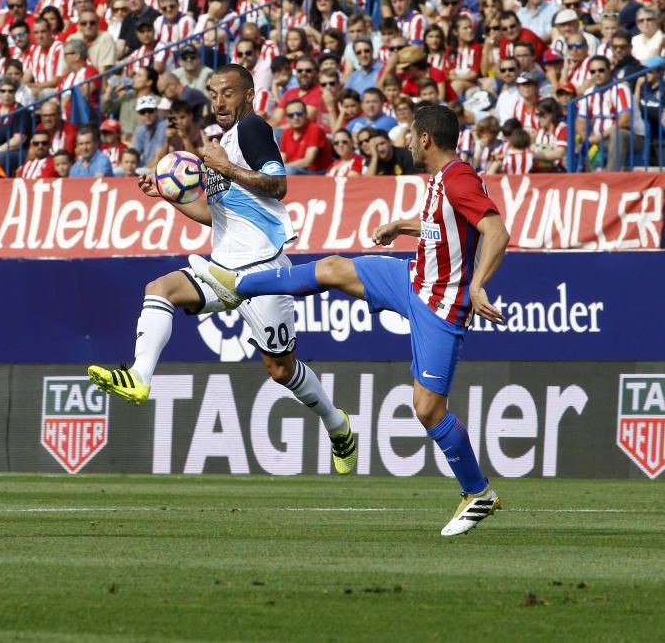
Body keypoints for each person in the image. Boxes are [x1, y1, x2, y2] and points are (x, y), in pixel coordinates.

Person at [189, 103, 509, 536]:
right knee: (334, 268)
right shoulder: (443, 179)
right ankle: (237, 284)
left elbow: (495, 230)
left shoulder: (458, 177)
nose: (407, 142)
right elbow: (443, 224)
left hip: (442, 306)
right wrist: (401, 225)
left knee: (428, 409)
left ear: (427, 139)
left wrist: (477, 285)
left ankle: (478, 493)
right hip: (412, 279)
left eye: (411, 136)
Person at [88, 63, 357, 476]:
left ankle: (337, 426)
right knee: (160, 288)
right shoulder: (224, 143)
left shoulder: (252, 131)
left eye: (227, 93)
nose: (218, 101)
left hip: (264, 270)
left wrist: (223, 165)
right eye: (213, 93)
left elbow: (279, 184)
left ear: (248, 96)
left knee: (281, 370)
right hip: (224, 267)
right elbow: (218, 218)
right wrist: (167, 193)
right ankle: (140, 377)